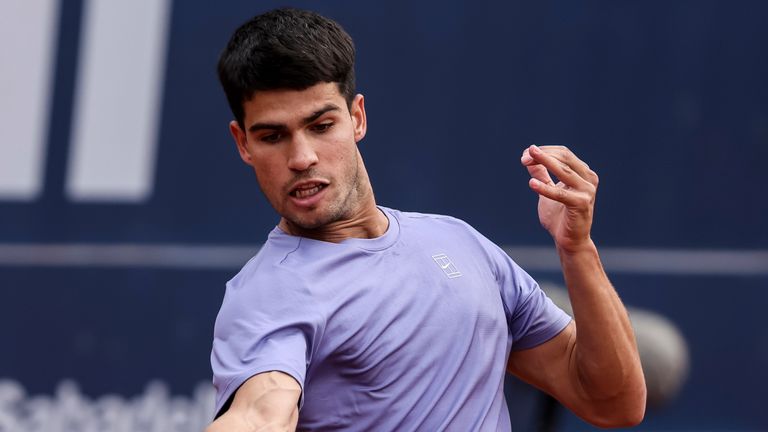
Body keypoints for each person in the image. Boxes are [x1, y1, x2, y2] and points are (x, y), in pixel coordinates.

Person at [207, 7, 646, 431]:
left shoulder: (460, 243)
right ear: (243, 144)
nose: (302, 158)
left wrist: (576, 249)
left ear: (357, 117)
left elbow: (612, 402)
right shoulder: (267, 297)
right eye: (272, 136)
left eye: (321, 125)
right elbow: (261, 415)